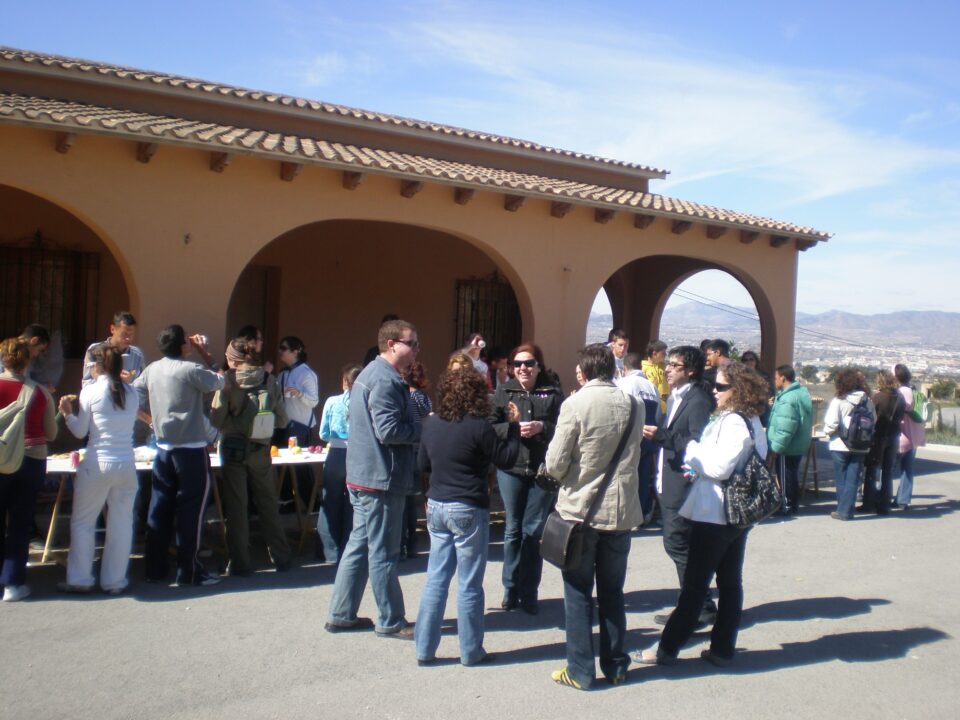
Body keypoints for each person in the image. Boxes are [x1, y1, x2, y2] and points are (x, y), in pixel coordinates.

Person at [638, 362, 769, 667]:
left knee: (695, 587)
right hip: (735, 513)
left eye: (721, 387)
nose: (715, 391)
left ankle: (666, 648)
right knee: (729, 583)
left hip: (716, 513)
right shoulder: (752, 420)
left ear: (738, 389)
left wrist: (694, 454)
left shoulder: (734, 422)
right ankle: (722, 648)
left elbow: (718, 468)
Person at [545, 343, 644, 690]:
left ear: (582, 372)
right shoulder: (635, 404)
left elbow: (555, 463)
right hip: (621, 511)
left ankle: (581, 670)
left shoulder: (575, 404)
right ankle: (616, 664)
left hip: (581, 512)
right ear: (612, 370)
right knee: (613, 592)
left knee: (577, 593)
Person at [415, 367, 520, 666]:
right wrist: (514, 427)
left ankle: (424, 648)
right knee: (469, 583)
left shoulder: (431, 424)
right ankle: (471, 650)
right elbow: (507, 458)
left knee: (436, 578)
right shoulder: (479, 427)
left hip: (437, 504)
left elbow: (423, 464)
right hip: (468, 505)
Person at [325, 319, 422, 638]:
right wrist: (425, 428)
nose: (417, 349)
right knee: (383, 552)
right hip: (380, 478)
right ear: (392, 344)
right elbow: (389, 430)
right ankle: (391, 619)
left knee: (360, 544)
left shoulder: (373, 375)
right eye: (412, 343)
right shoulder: (384, 380)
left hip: (366, 475)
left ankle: (341, 613)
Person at [133, 325, 224, 586]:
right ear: (184, 345)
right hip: (192, 450)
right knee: (190, 512)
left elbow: (133, 395)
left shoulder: (151, 369)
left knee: (159, 509)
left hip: (163, 449)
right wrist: (205, 352)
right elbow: (221, 381)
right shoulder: (190, 370)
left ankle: (155, 569)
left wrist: (149, 420)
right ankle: (189, 571)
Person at [488, 342, 564, 615]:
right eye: (517, 364)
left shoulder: (552, 392)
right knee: (512, 530)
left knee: (533, 532)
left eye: (529, 364)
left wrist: (542, 427)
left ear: (538, 366)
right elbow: (490, 425)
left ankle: (529, 591)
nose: (523, 369)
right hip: (511, 468)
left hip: (542, 472)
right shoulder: (504, 390)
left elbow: (564, 428)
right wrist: (512, 428)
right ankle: (510, 589)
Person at [58, 344, 138, 594]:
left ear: (97, 366)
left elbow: (80, 431)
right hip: (126, 462)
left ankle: (80, 579)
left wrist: (67, 414)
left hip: (97, 462)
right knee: (122, 523)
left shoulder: (90, 392)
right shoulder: (131, 393)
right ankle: (115, 581)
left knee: (83, 522)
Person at [644, 345, 716, 627]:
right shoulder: (675, 396)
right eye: (669, 364)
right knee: (679, 544)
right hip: (667, 478)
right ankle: (697, 604)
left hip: (683, 483)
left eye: (675, 365)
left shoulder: (697, 399)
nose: (668, 369)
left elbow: (697, 442)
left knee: (677, 544)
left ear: (691, 371)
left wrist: (662, 435)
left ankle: (698, 605)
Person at [209, 338, 292, 576]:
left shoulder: (226, 382)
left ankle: (240, 562)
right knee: (268, 504)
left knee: (237, 507)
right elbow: (283, 420)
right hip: (261, 449)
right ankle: (281, 557)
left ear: (230, 357)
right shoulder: (269, 380)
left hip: (233, 450)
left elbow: (216, 419)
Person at [0, 338, 57, 602]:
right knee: (21, 522)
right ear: (28, 360)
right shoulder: (39, 392)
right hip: (32, 459)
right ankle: (13, 583)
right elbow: (51, 432)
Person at [316, 364, 362, 564]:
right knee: (353, 504)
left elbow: (323, 433)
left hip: (335, 452)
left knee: (330, 501)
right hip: (357, 454)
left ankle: (329, 551)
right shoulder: (364, 401)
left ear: (344, 381)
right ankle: (349, 550)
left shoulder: (332, 401)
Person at [822, 368, 876, 521]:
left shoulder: (839, 400)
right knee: (853, 478)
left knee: (841, 478)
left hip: (840, 444)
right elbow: (874, 420)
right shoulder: (868, 400)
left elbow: (831, 423)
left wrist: (828, 433)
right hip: (861, 445)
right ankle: (848, 508)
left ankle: (843, 509)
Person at [616, 352, 660, 525]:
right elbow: (658, 414)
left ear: (625, 368)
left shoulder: (623, 383)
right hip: (649, 437)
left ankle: (627, 515)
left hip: (631, 438)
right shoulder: (651, 386)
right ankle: (642, 513)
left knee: (628, 477)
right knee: (643, 475)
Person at [277, 336, 319, 506]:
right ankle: (287, 501)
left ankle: (311, 503)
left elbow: (314, 401)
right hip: (282, 424)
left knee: (301, 465)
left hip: (300, 425)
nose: (280, 351)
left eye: (284, 348)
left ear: (296, 351)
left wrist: (299, 394)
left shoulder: (306, 373)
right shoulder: (282, 373)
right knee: (282, 466)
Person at [766, 365, 814, 516]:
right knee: (791, 475)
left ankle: (787, 505)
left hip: (787, 445)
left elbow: (786, 426)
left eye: (775, 377)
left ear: (783, 377)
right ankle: (792, 504)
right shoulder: (799, 394)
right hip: (796, 444)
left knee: (786, 477)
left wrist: (776, 447)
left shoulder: (788, 398)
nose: (774, 381)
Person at [861, 369, 904, 515]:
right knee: (887, 472)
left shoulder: (878, 397)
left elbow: (870, 416)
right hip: (894, 436)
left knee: (873, 470)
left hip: (879, 437)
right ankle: (884, 504)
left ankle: (868, 503)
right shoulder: (900, 397)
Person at [401, 361, 432, 560]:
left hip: (406, 450)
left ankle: (402, 543)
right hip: (420, 451)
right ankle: (412, 543)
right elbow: (428, 421)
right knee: (413, 499)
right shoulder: (422, 398)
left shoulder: (403, 396)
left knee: (404, 501)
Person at [82, 311, 145, 387]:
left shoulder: (137, 355)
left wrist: (129, 386)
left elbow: (142, 385)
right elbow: (87, 383)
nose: (128, 338)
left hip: (128, 397)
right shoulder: (95, 350)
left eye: (131, 334)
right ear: (112, 329)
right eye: (124, 334)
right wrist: (114, 380)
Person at [893, 364, 926, 510]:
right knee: (907, 469)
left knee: (886, 468)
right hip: (915, 435)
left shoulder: (899, 393)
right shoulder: (916, 392)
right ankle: (903, 500)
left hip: (901, 435)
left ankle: (882, 496)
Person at [641, 340, 669, 413]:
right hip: (650, 405)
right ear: (654, 354)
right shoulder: (643, 368)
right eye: (663, 353)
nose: (665, 355)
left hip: (665, 406)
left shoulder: (665, 366)